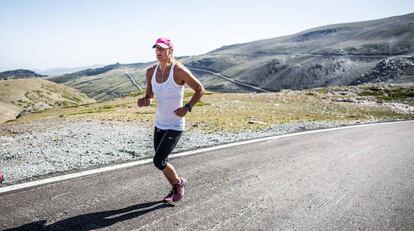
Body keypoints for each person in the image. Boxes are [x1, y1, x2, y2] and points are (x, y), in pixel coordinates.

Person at [137, 37, 205, 202]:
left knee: (158, 160)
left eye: (162, 49)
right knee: (161, 161)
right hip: (159, 122)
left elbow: (200, 89)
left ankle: (179, 183)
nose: (158, 52)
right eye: (156, 49)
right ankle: (176, 186)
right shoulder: (150, 72)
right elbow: (150, 95)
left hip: (175, 124)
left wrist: (187, 108)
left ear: (170, 51)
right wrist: (145, 101)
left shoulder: (178, 71)